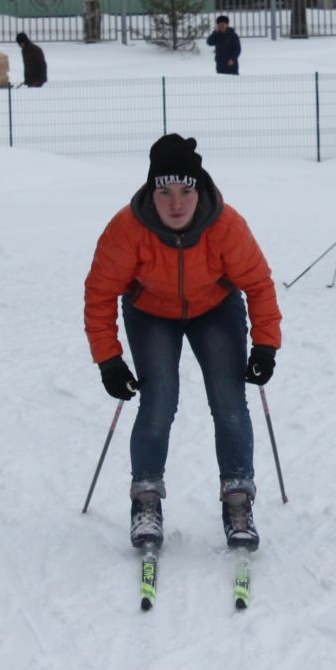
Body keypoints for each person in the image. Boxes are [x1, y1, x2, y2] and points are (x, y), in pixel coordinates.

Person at [83, 133, 282, 552]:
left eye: (186, 190)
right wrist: (109, 360)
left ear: (199, 189)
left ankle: (238, 498)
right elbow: (100, 293)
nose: (176, 203)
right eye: (165, 191)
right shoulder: (126, 228)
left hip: (215, 309)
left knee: (228, 403)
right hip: (151, 312)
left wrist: (265, 345)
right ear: (151, 191)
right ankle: (146, 498)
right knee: (158, 402)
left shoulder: (226, 225)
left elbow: (259, 285)